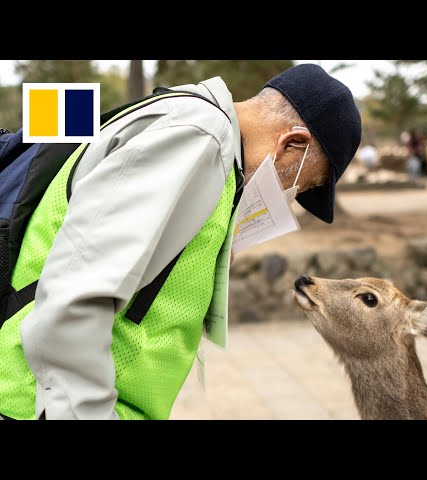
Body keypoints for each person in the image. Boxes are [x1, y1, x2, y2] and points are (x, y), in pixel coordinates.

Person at [0, 63, 361, 420]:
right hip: (43, 405)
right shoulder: (196, 137)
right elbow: (78, 294)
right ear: (292, 143)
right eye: (303, 183)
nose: (289, 192)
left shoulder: (203, 141)